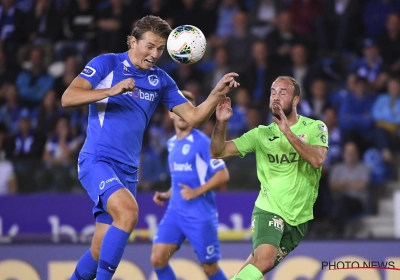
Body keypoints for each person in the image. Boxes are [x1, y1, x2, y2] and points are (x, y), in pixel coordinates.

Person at [61, 15, 239, 280]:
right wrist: (110, 91)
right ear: (133, 41)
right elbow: (68, 97)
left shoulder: (161, 80)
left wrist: (215, 93)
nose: (155, 54)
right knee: (129, 212)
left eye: (160, 48)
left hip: (128, 170)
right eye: (150, 46)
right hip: (98, 160)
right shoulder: (106, 64)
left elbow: (193, 117)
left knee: (99, 248)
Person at [210, 76, 328, 279]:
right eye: (273, 92)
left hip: (299, 218)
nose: (276, 97)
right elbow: (218, 151)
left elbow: (317, 160)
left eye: (283, 93)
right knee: (264, 260)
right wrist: (220, 123)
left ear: (296, 100)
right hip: (269, 208)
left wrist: (288, 133)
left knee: (256, 266)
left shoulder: (315, 127)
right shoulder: (261, 134)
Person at [150, 90, 229, 280]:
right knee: (158, 259)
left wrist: (196, 192)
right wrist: (168, 194)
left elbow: (223, 175)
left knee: (209, 268)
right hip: (175, 212)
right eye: (179, 109)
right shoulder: (170, 144)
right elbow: (180, 180)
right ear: (170, 112)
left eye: (188, 109)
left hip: (199, 214)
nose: (183, 114)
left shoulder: (203, 142)